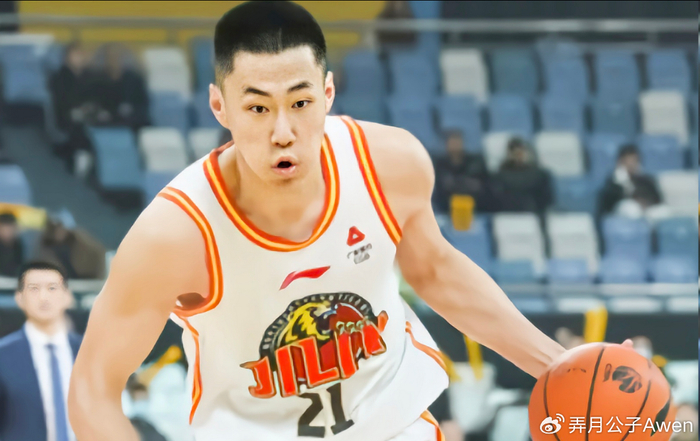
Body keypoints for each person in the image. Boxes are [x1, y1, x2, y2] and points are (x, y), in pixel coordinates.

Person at [68, 3, 633, 441]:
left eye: (300, 102)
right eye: (257, 107)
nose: (283, 131)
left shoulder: (388, 163)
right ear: (220, 106)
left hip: (393, 424)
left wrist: (563, 366)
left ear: (329, 93)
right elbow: (92, 389)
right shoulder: (174, 234)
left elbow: (436, 271)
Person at [0, 261, 81, 441]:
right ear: (19, 298)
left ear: (67, 296)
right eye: (34, 289)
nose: (43, 297)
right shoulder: (3, 357)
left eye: (52, 288)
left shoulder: (88, 354)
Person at [48, 42, 100, 176]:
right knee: (79, 129)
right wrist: (79, 109)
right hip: (67, 116)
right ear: (67, 57)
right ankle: (80, 162)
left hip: (90, 114)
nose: (79, 58)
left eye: (81, 54)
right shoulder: (59, 77)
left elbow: (96, 97)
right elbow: (60, 103)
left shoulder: (90, 76)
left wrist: (90, 107)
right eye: (76, 54)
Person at [597, 144, 669, 223]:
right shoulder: (613, 181)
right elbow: (610, 203)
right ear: (620, 162)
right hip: (624, 213)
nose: (631, 164)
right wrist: (623, 181)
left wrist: (645, 202)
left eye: (634, 161)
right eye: (628, 161)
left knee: (663, 210)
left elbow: (657, 198)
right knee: (631, 208)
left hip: (647, 210)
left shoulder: (646, 179)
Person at [34, 209, 106, 280]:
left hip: (85, 279)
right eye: (54, 228)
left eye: (60, 227)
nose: (58, 231)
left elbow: (98, 254)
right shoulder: (47, 246)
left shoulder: (82, 242)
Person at [93, 43, 150, 131]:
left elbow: (143, 105)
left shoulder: (134, 80)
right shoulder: (98, 81)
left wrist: (131, 112)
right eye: (110, 57)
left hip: (133, 124)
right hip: (107, 125)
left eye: (117, 56)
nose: (114, 60)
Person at [432, 130, 491, 213]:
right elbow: (440, 187)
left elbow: (480, 185)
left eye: (457, 142)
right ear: (446, 144)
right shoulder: (440, 164)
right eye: (452, 142)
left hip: (475, 207)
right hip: (446, 208)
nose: (455, 145)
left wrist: (456, 184)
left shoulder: (475, 163)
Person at [493, 137, 553, 214]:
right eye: (514, 153)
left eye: (520, 153)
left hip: (532, 215)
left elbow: (546, 201)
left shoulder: (540, 176)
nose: (518, 156)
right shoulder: (500, 177)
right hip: (507, 216)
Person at [0, 211, 24, 277]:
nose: (7, 232)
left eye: (10, 229)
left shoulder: (18, 244)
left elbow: (19, 265)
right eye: (4, 229)